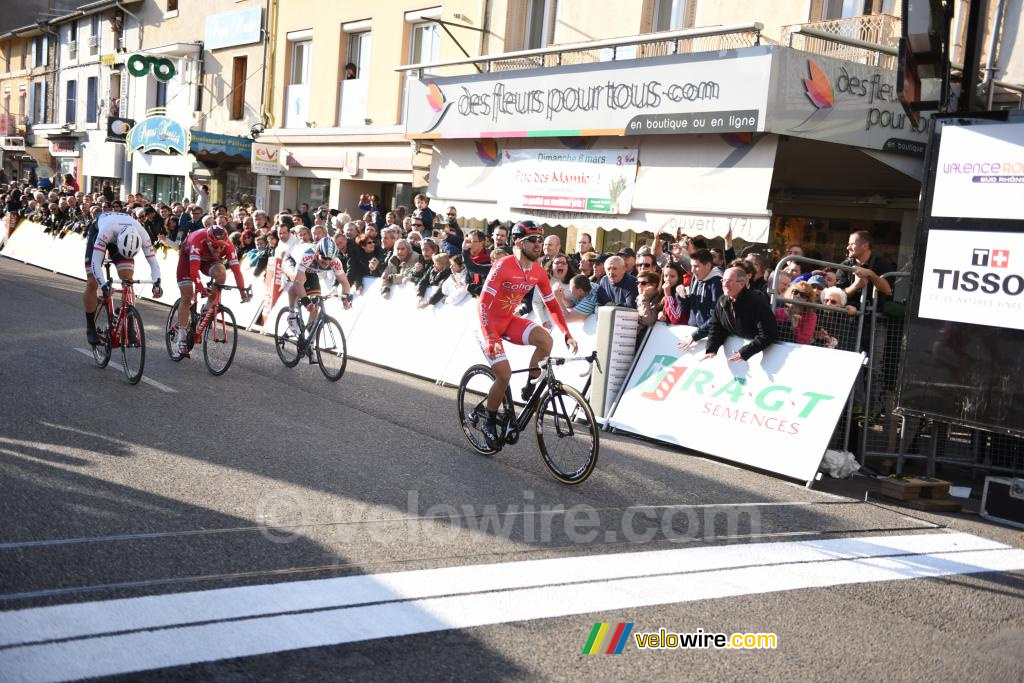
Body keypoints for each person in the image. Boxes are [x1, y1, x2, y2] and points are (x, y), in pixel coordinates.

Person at [475, 221, 578, 450]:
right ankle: (489, 422)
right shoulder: (503, 266)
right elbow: (483, 304)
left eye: (541, 240)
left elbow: (551, 305)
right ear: (519, 242)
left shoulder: (538, 271)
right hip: (489, 324)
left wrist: (567, 333)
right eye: (534, 240)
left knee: (546, 341)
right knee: (504, 375)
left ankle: (530, 386)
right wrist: (491, 336)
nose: (539, 245)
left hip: (509, 320)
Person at [84, 210, 163, 346]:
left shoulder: (142, 233)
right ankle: (90, 327)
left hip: (125, 239)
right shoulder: (106, 231)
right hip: (99, 231)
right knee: (92, 282)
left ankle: (129, 324)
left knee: (128, 281)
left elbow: (154, 264)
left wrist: (157, 283)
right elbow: (95, 263)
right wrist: (103, 285)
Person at [172, 226, 252, 357]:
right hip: (187, 260)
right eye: (216, 246)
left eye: (222, 247)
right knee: (187, 296)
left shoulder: (228, 245)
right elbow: (193, 272)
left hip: (209, 261)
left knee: (221, 272)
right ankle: (181, 337)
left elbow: (236, 270)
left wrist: (242, 292)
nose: (219, 250)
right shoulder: (198, 240)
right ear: (209, 241)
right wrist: (202, 289)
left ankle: (207, 309)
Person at [699, 267, 777, 363]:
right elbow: (716, 326)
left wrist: (744, 352)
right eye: (723, 280)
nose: (725, 284)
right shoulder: (722, 300)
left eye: (729, 281)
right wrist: (712, 349)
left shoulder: (757, 301)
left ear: (742, 283)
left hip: (767, 358)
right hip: (738, 357)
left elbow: (768, 334)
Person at [281, 237, 353, 335]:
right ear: (317, 253)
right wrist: (306, 301)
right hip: (292, 262)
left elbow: (344, 282)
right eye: (324, 258)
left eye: (329, 259)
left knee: (316, 301)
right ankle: (292, 314)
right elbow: (298, 282)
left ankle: (310, 340)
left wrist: (346, 298)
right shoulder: (308, 254)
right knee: (296, 280)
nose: (327, 262)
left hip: (310, 270)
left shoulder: (335, 261)